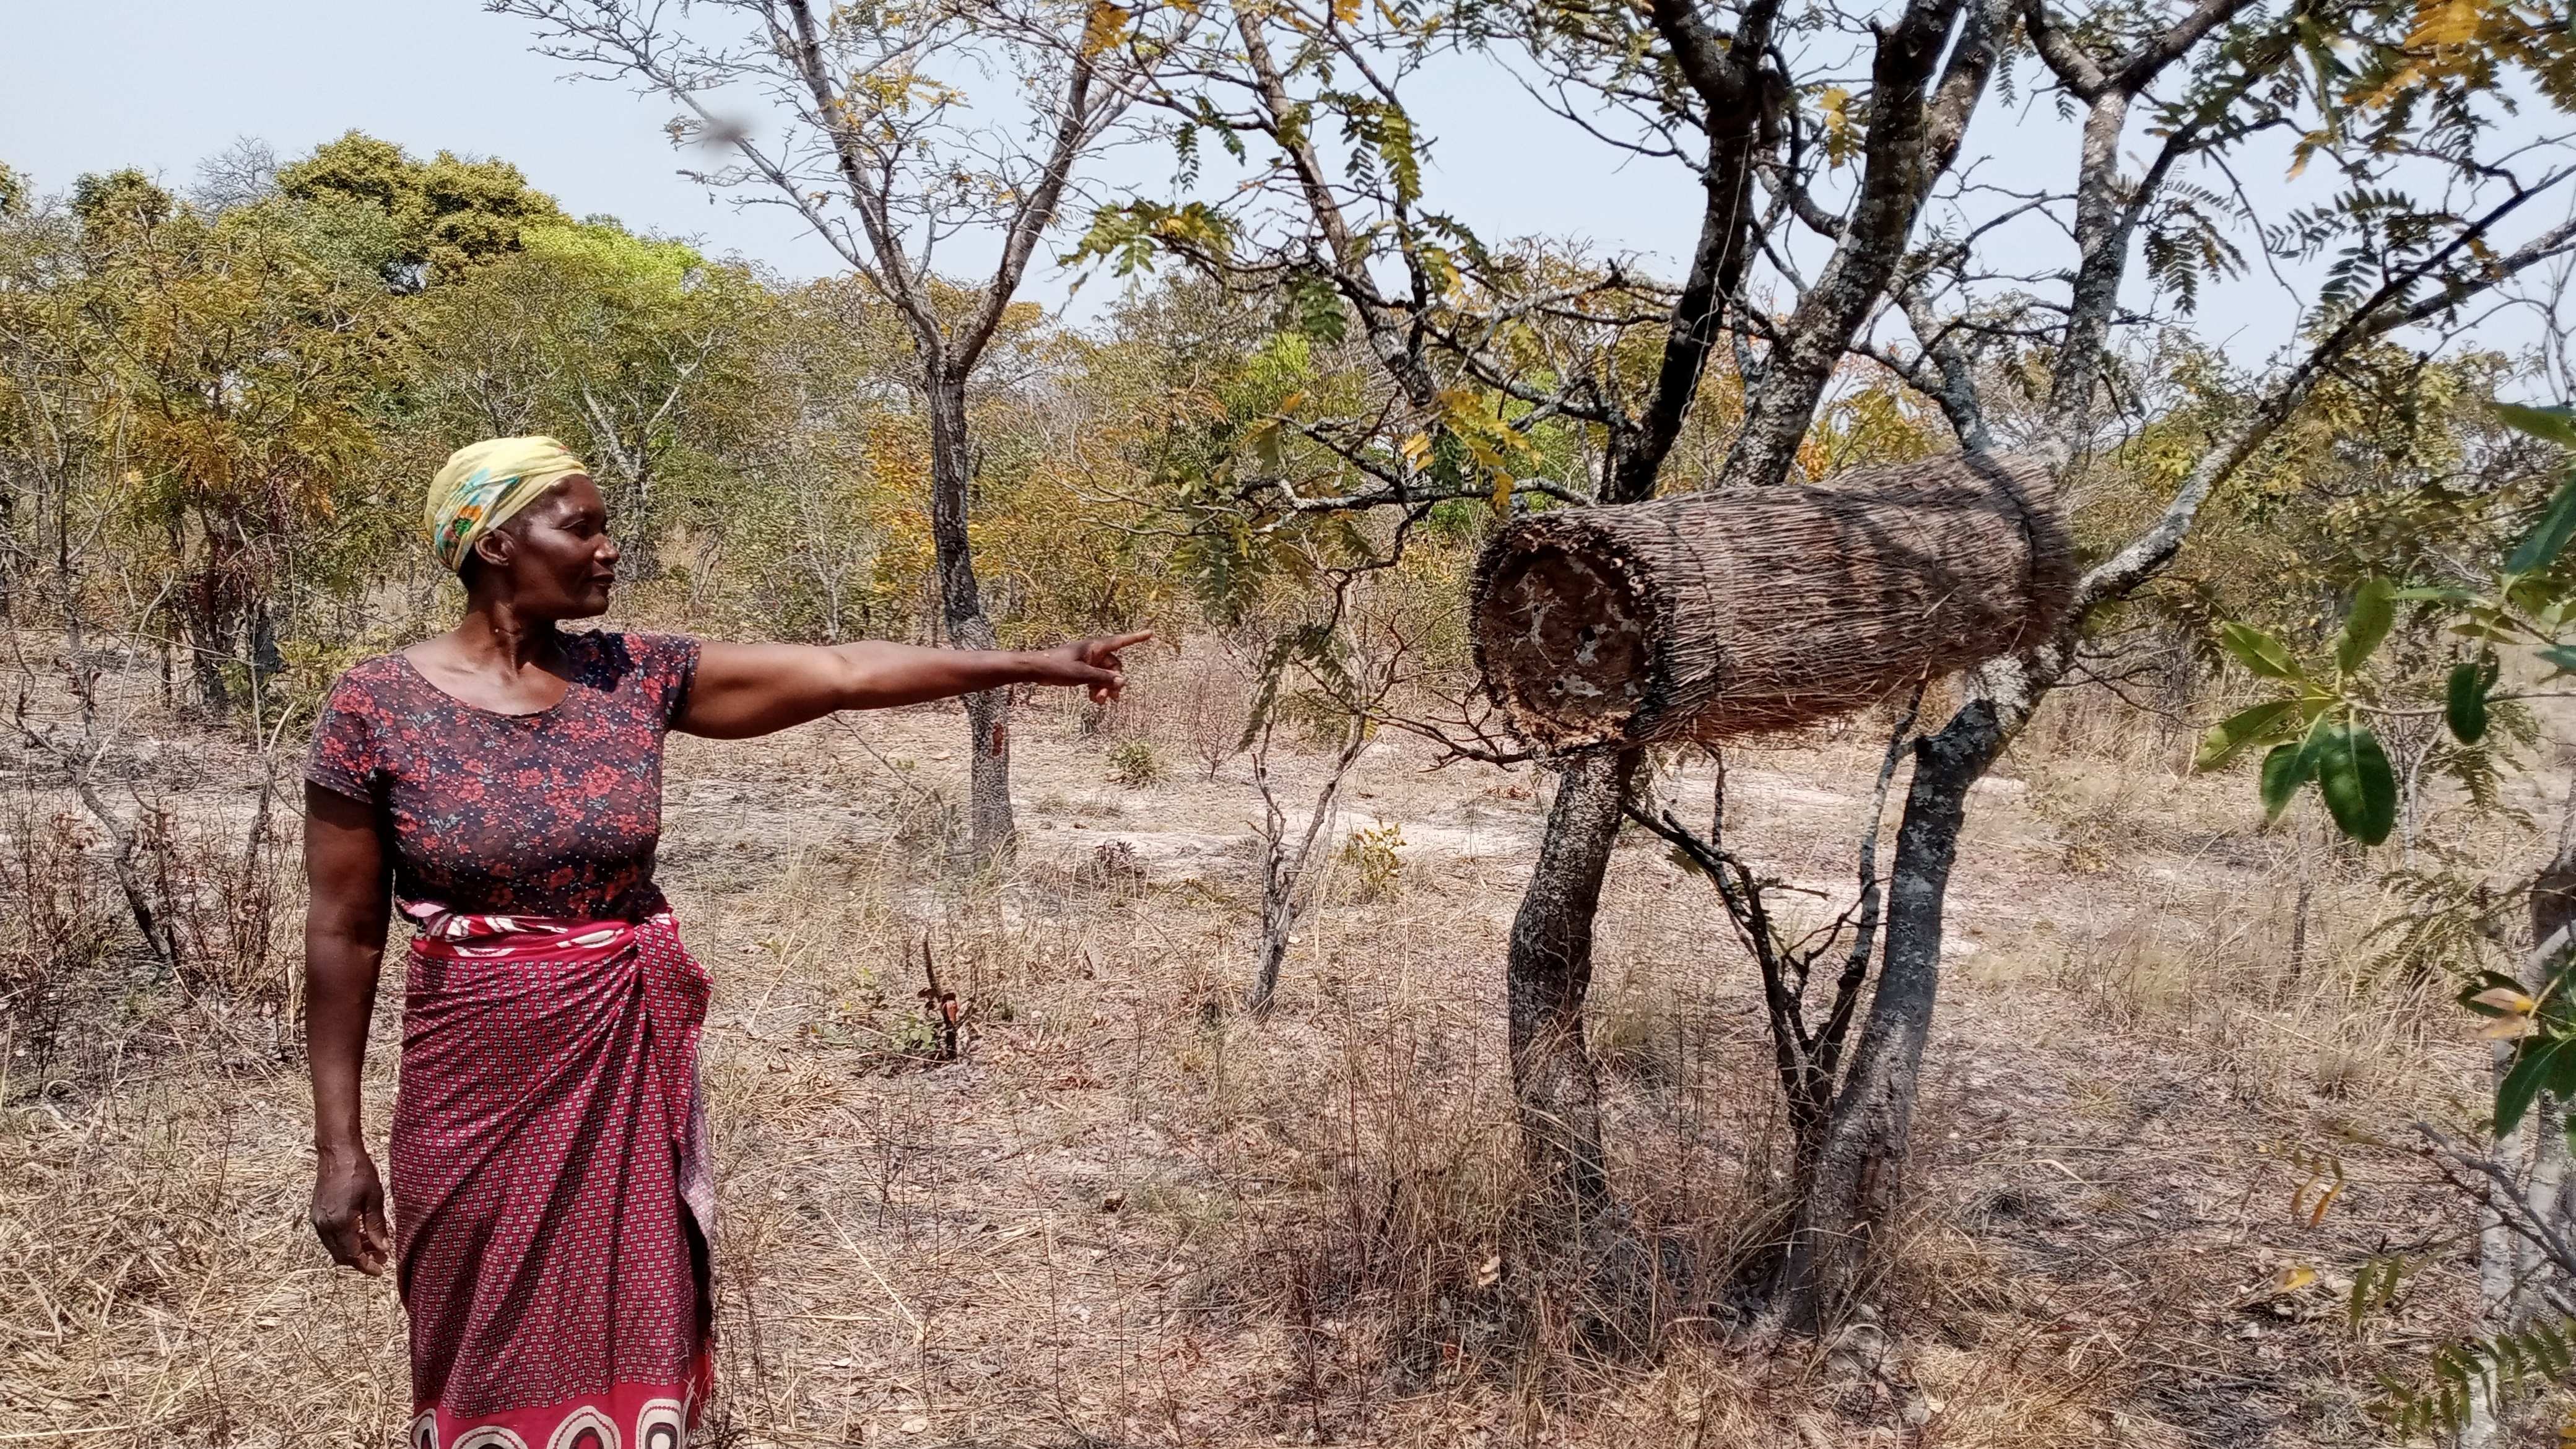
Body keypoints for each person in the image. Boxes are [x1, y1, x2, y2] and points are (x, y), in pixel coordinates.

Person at [303, 436, 1145, 1449]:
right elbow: (344, 930)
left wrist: (1034, 664)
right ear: (492, 544)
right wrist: (340, 1148)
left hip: (619, 1055)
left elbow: (842, 671)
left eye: (607, 527)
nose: (611, 549)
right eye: (581, 527)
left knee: (633, 1316)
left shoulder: (633, 676)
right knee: (476, 1332)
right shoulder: (376, 706)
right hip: (472, 1080)